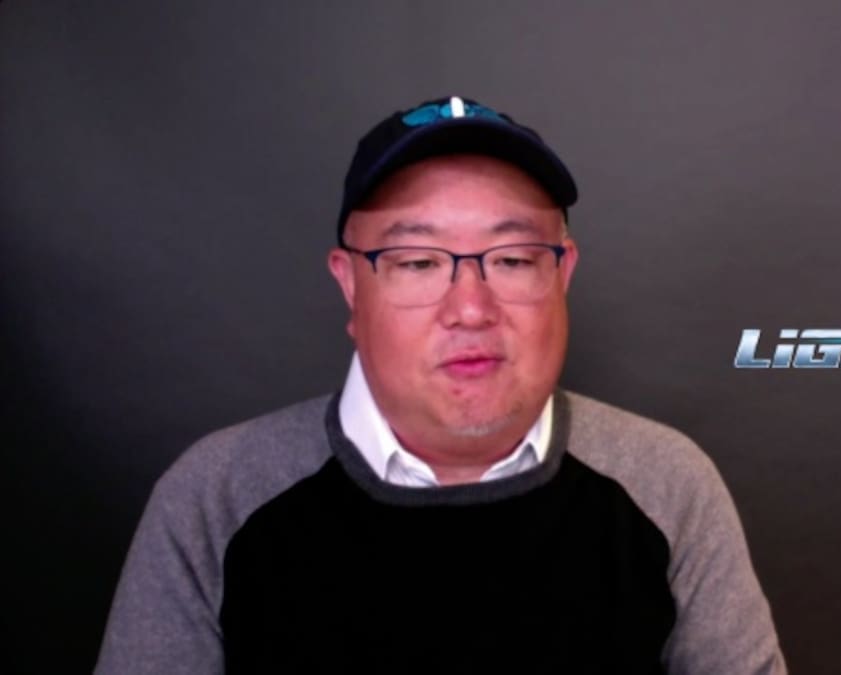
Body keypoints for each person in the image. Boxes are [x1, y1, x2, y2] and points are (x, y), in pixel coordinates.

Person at [96, 95, 786, 674]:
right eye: (418, 262)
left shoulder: (665, 485)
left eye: (513, 259)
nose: (471, 309)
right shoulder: (218, 497)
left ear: (563, 273)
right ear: (350, 282)